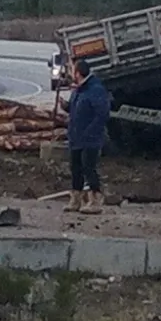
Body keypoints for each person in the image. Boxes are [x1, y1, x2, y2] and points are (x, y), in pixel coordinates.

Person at [59, 59, 111, 214]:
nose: (70, 74)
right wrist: (67, 107)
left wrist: (91, 131)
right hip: (76, 137)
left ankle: (95, 199)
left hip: (89, 138)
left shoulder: (95, 90)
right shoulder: (79, 90)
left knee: (89, 168)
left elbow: (102, 113)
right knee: (75, 168)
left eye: (72, 71)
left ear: (78, 73)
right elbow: (77, 109)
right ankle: (76, 199)